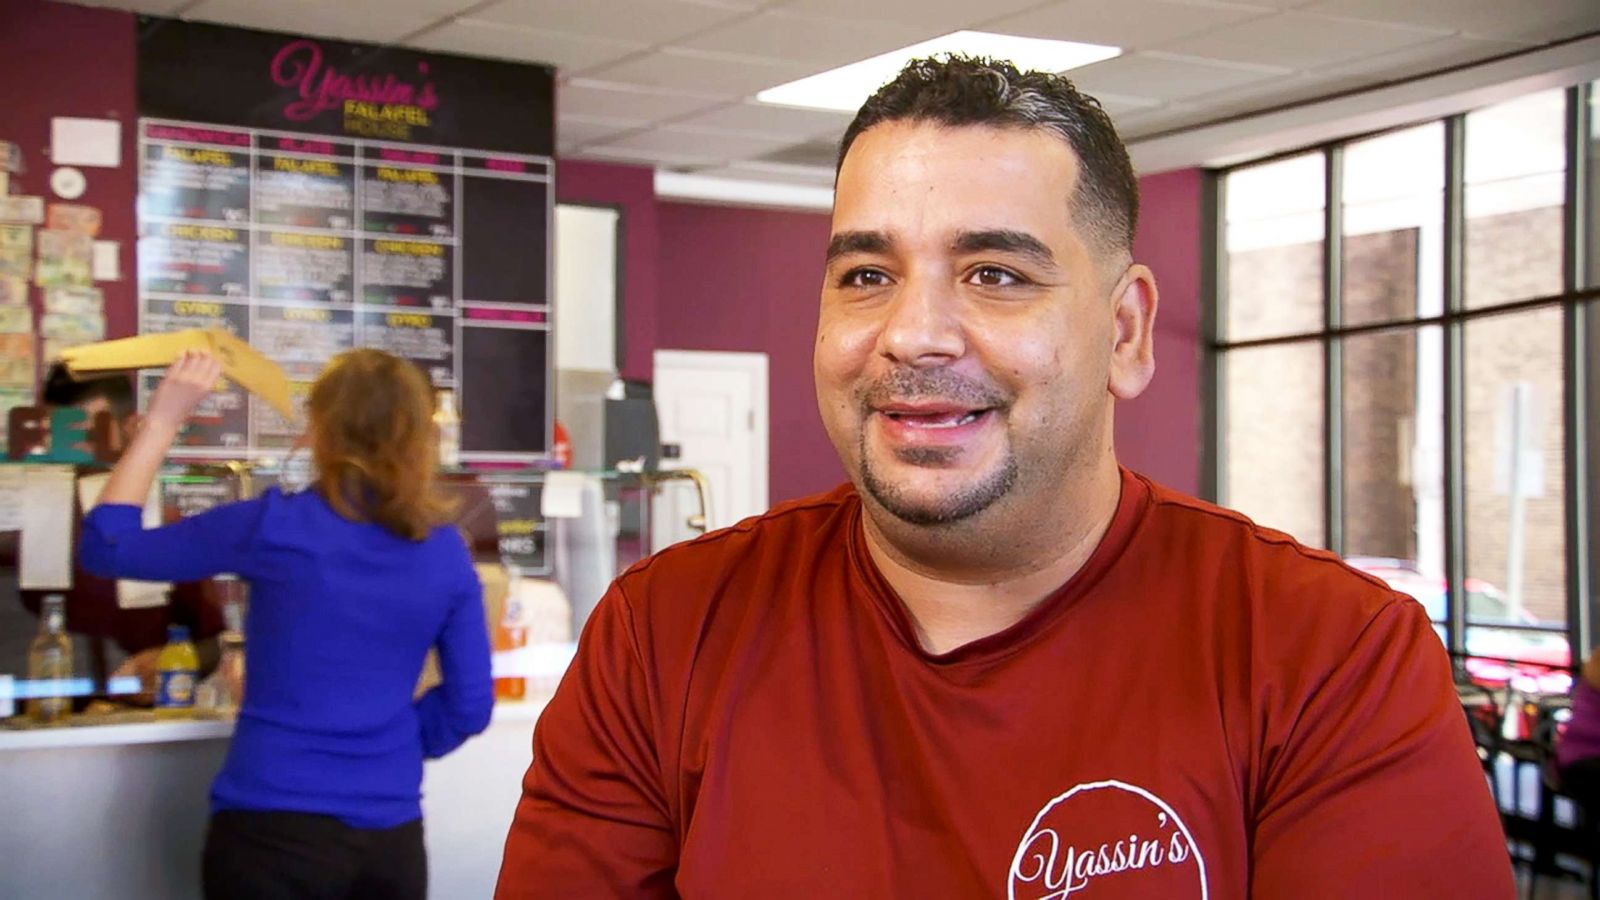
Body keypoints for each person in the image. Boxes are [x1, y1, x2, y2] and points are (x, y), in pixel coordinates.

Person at [494, 56, 1513, 898]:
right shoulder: (663, 636)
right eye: (865, 275)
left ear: (1124, 331)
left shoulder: (1329, 660)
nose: (913, 333)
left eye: (995, 274)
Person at [80, 348, 493, 900]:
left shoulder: (276, 526)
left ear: (320, 428)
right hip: (390, 842)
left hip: (271, 830)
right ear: (421, 436)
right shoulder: (446, 554)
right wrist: (387, 745)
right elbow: (470, 707)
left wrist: (163, 420)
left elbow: (109, 546)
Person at [10, 365, 224, 700]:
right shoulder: (15, 523)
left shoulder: (162, 523)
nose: (70, 445)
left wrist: (173, 660)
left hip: (133, 727)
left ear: (129, 427)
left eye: (86, 430)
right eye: (57, 430)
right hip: (22, 723)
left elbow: (214, 643)